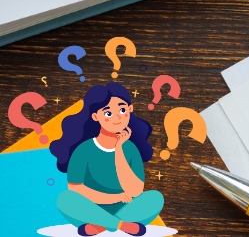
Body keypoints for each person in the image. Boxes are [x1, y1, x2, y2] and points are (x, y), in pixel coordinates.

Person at [49, 82, 164, 236]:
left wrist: (119, 150)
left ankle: (100, 226)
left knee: (155, 198)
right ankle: (119, 225)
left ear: (130, 110)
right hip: (91, 208)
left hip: (126, 208)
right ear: (96, 116)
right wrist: (112, 198)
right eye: (108, 113)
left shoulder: (130, 149)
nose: (118, 117)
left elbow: (135, 190)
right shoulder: (84, 149)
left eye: (122, 110)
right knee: (65, 200)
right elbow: (76, 189)